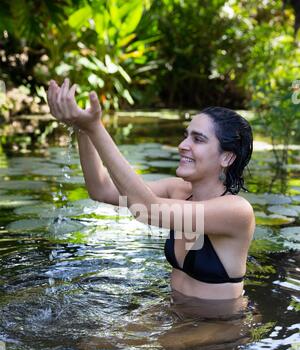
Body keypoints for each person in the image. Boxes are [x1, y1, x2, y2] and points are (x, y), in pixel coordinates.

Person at [47, 79, 255, 301]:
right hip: (174, 310)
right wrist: (82, 128)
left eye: (198, 139)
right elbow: (101, 189)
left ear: (227, 157)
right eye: (186, 135)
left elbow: (146, 209)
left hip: (221, 322)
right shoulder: (177, 190)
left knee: (104, 338)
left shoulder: (237, 211)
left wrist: (95, 127)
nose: (183, 145)